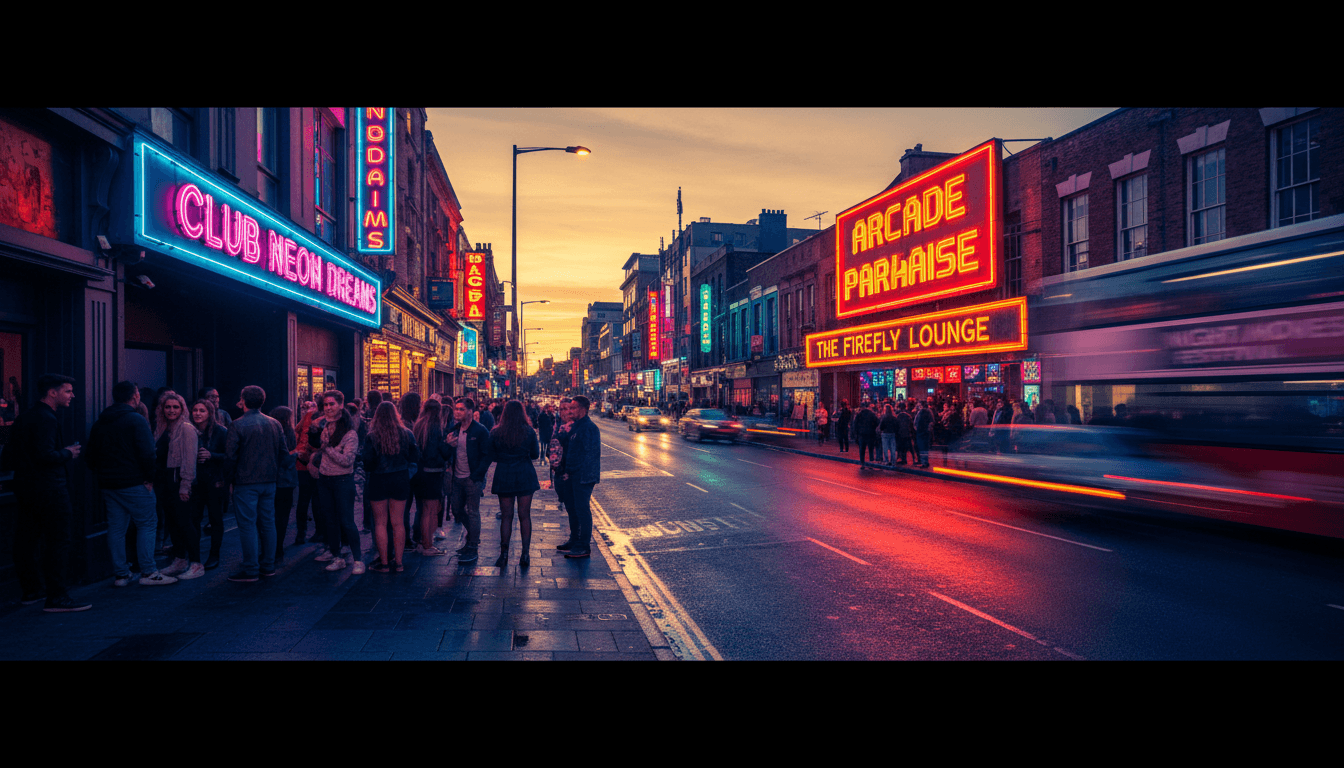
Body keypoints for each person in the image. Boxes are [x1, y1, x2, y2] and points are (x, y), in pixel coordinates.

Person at [7, 374, 90, 611]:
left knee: (26, 539)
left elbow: (12, 455)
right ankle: (57, 597)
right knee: (58, 541)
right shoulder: (46, 419)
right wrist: (68, 453)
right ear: (52, 393)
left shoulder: (26, 417)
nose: (72, 395)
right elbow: (43, 455)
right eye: (68, 391)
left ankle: (31, 590)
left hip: (26, 488)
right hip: (50, 489)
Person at [86, 381, 177, 588]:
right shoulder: (136, 420)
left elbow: (90, 456)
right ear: (135, 396)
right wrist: (149, 478)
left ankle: (121, 574)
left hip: (109, 484)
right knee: (147, 523)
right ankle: (149, 572)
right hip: (134, 482)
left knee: (117, 528)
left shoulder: (100, 422)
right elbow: (148, 454)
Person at [223, 385, 288, 583]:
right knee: (268, 523)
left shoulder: (237, 425)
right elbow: (284, 453)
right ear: (262, 401)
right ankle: (268, 565)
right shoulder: (275, 423)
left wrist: (228, 481)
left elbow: (230, 457)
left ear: (243, 400)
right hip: (269, 480)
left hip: (245, 481)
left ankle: (251, 568)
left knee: (247, 525)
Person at [311, 390, 363, 573]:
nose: (328, 408)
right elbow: (316, 445)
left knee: (347, 521)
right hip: (325, 480)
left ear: (341, 405)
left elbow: (348, 460)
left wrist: (327, 448)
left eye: (331, 404)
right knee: (330, 520)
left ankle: (358, 560)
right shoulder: (324, 426)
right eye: (325, 405)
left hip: (342, 480)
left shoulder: (350, 433)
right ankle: (337, 556)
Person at [363, 401, 419, 572]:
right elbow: (415, 456)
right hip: (400, 478)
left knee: (380, 523)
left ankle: (385, 562)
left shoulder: (372, 436)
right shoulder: (406, 434)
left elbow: (368, 463)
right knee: (398, 522)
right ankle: (399, 562)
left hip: (379, 480)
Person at [154, 391, 201, 580]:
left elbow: (190, 460)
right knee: (172, 523)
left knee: (185, 523)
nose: (171, 410)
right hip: (164, 481)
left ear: (182, 409)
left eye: (175, 407)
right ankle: (180, 560)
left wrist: (185, 485)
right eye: (168, 407)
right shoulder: (162, 428)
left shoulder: (186, 428)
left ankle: (196, 563)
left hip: (178, 480)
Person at [490, 400, 541, 568]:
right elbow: (535, 455)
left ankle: (503, 554)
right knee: (524, 515)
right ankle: (525, 554)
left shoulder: (496, 432)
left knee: (506, 516)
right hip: (524, 473)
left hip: (504, 473)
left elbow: (493, 455)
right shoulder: (529, 432)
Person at [447, 397, 492, 564]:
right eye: (456, 409)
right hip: (457, 478)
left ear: (470, 412)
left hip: (472, 478)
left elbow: (487, 455)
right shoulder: (454, 430)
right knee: (457, 510)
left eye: (461, 409)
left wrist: (477, 475)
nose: (457, 412)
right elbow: (445, 453)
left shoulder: (480, 431)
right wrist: (447, 445)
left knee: (473, 511)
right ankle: (473, 535)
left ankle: (472, 545)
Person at [189, 397, 229, 570]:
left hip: (214, 482)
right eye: (195, 410)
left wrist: (212, 455)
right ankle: (194, 557)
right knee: (193, 519)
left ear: (210, 413)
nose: (197, 413)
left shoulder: (221, 431)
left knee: (215, 519)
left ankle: (214, 555)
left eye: (202, 410)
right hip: (194, 482)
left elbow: (229, 456)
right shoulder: (188, 430)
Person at [559, 396, 600, 558]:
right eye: (569, 408)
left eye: (574, 408)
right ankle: (574, 540)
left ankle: (584, 545)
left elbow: (587, 455)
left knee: (582, 510)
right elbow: (568, 446)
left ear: (583, 409)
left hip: (583, 476)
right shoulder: (576, 426)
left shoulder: (588, 428)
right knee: (573, 509)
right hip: (574, 474)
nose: (570, 411)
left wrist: (572, 470)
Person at [410, 398, 451, 555]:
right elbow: (438, 453)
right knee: (431, 509)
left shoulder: (419, 426)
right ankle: (427, 544)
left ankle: (422, 542)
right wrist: (448, 445)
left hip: (419, 472)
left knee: (424, 508)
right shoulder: (435, 428)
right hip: (432, 473)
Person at [269, 406, 299, 568]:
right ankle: (278, 549)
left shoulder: (269, 431)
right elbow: (286, 460)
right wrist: (296, 454)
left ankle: (270, 549)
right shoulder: (288, 433)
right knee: (282, 517)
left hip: (271, 480)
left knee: (270, 517)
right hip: (285, 480)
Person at [294, 401, 320, 545]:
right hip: (312, 465)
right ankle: (318, 532)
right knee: (316, 500)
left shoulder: (301, 423)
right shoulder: (312, 419)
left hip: (301, 466)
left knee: (303, 501)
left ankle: (301, 533)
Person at [853, 401, 879, 469]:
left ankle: (862, 463)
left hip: (862, 434)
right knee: (871, 449)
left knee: (862, 449)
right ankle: (871, 462)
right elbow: (877, 422)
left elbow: (855, 424)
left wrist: (856, 433)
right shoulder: (872, 414)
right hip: (870, 434)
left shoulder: (859, 414)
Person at [914, 399, 934, 468]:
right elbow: (931, 421)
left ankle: (924, 463)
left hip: (921, 432)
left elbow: (918, 422)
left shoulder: (922, 412)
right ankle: (925, 462)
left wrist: (917, 428)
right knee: (925, 448)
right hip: (925, 432)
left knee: (922, 447)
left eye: (919, 404)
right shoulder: (929, 412)